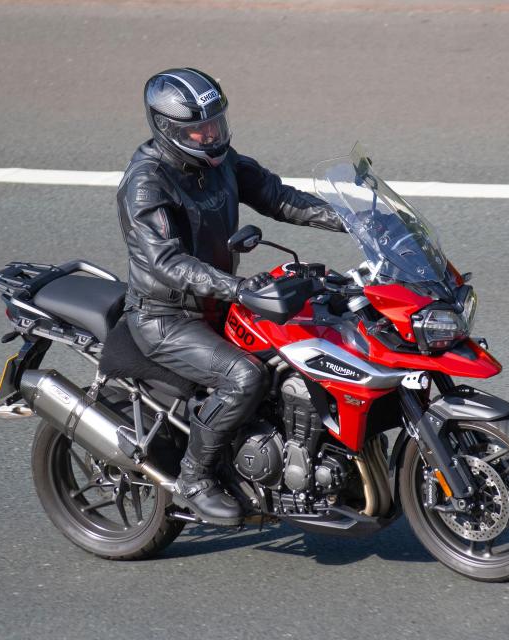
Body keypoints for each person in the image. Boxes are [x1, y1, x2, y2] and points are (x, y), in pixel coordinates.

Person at [116, 68, 345, 525]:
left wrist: (353, 220)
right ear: (166, 128)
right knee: (244, 378)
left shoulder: (221, 162)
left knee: (315, 331)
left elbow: (279, 197)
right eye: (198, 129)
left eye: (216, 123)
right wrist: (241, 288)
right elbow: (169, 263)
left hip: (217, 301)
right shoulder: (146, 184)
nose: (210, 134)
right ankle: (194, 478)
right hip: (166, 318)